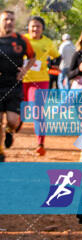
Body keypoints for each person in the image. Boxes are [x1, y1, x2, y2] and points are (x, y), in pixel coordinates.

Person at [0, 10, 35, 161]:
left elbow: (32, 57)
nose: (9, 22)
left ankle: (9, 132)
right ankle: (1, 152)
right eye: (6, 19)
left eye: (12, 20)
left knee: (13, 121)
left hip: (14, 85)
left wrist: (25, 70)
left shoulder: (21, 40)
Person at [22, 15, 59, 156]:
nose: (35, 28)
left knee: (37, 111)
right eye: (33, 26)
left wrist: (51, 66)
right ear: (28, 27)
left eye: (38, 26)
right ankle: (9, 133)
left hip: (40, 81)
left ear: (42, 28)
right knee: (18, 112)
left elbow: (57, 56)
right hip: (21, 81)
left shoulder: (48, 42)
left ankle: (40, 143)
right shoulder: (22, 40)